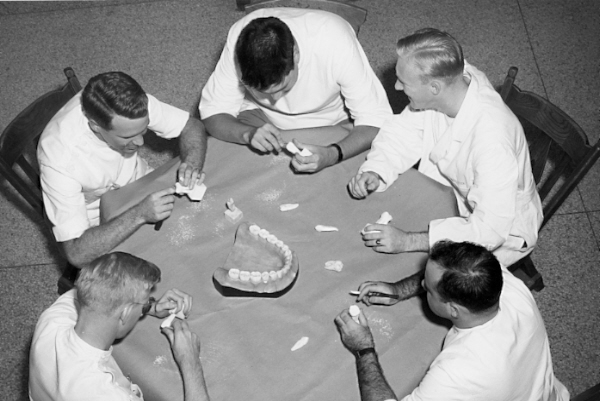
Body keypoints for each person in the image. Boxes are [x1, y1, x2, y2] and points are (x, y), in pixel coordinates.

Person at [333, 240, 569, 401]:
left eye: (428, 288)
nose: (422, 283)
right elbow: (450, 269)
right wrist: (399, 290)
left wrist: (364, 348)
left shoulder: (463, 370)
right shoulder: (501, 283)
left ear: (454, 309)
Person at [348, 28, 542, 267]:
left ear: (434, 88)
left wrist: (408, 242)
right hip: (452, 192)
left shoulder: (493, 143)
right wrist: (377, 170)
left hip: (500, 232)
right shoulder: (453, 82)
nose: (397, 87)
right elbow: (404, 132)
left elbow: (490, 231)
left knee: (415, 276)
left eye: (403, 82)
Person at [19, 252, 216, 401]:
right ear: (124, 314)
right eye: (142, 304)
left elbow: (93, 295)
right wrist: (189, 359)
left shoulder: (52, 320)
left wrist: (151, 306)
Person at [39, 71, 208, 268]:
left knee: (197, 227)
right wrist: (140, 214)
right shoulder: (59, 161)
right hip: (96, 219)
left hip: (138, 180)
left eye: (143, 130)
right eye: (127, 137)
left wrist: (191, 164)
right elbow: (76, 254)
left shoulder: (129, 105)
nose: (140, 142)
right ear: (95, 127)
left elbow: (191, 125)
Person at [199, 8, 392, 173]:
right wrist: (247, 134)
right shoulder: (239, 39)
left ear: (296, 54)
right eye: (262, 92)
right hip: (260, 121)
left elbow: (376, 121)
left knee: (374, 168)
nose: (273, 101)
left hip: (333, 123)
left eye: (282, 88)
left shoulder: (334, 40)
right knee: (223, 168)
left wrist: (334, 154)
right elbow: (213, 114)